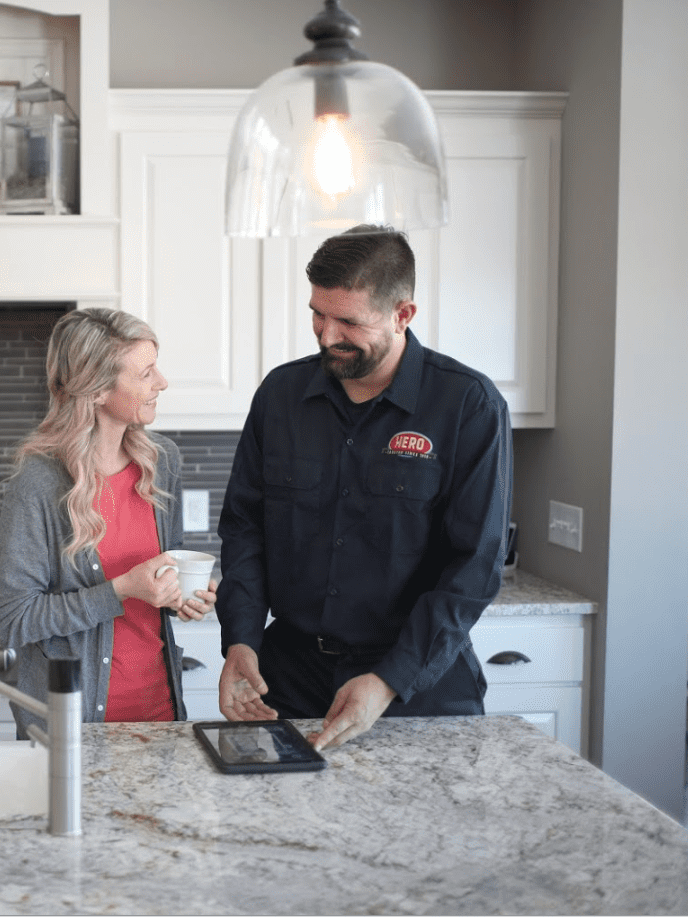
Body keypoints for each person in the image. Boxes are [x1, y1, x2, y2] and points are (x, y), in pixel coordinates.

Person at [215, 224, 513, 752]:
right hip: (287, 681)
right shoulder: (281, 395)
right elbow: (245, 529)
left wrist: (389, 679)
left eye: (348, 321)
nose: (327, 336)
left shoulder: (467, 405)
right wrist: (240, 639)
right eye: (317, 314)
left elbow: (473, 567)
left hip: (417, 687)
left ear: (403, 315)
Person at [0, 307, 215, 737]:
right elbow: (12, 619)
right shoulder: (39, 480)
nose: (161, 382)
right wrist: (120, 590)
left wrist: (182, 596)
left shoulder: (161, 461)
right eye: (145, 373)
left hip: (160, 715)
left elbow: (163, 573)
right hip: (72, 730)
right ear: (95, 390)